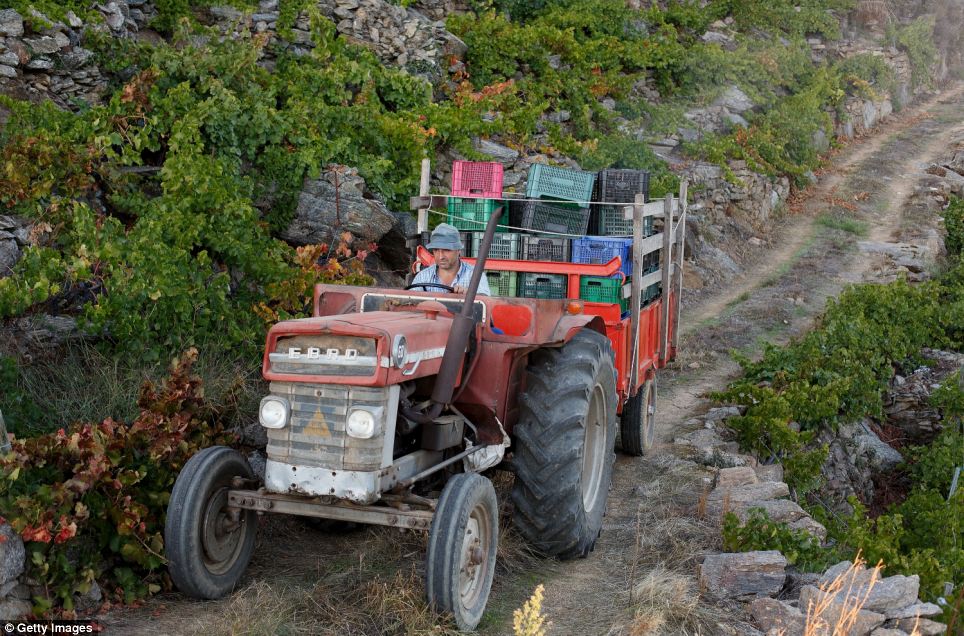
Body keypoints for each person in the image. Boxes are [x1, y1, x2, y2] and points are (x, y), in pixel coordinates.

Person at [411, 223, 491, 296]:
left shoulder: (475, 275)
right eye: (436, 250)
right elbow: (410, 302)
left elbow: (485, 301)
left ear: (458, 250)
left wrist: (469, 294)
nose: (441, 256)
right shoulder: (423, 276)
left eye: (446, 250)